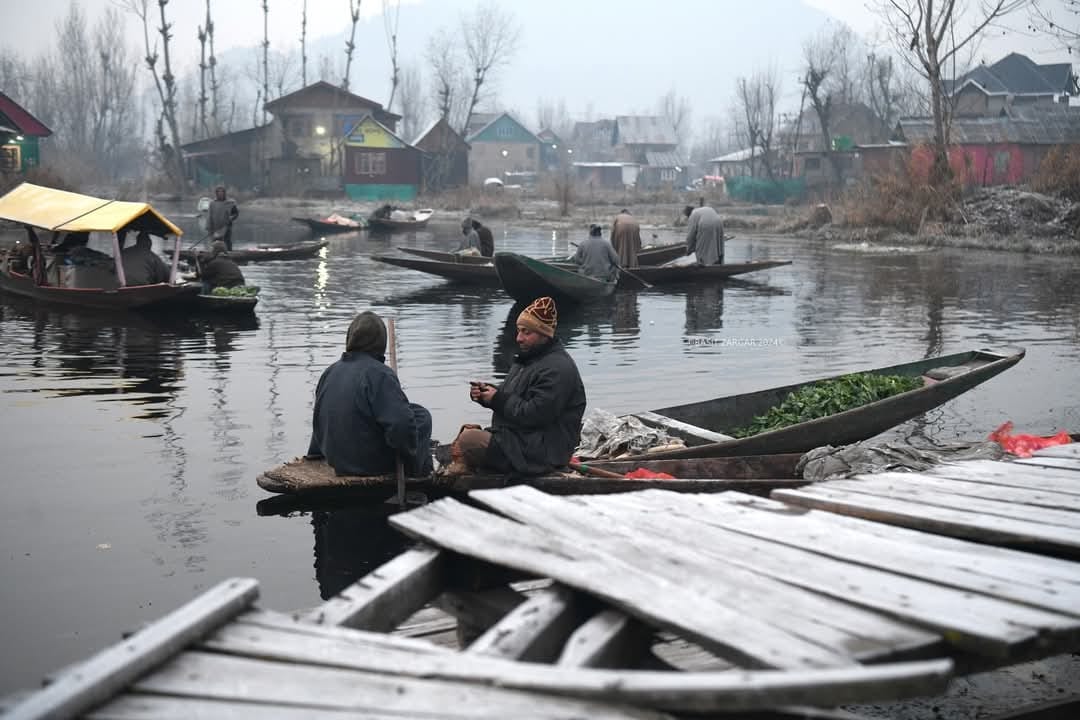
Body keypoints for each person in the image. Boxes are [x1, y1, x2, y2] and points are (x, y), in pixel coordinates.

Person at [452, 296, 586, 476]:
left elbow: (535, 415)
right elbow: (511, 396)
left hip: (542, 452)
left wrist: (497, 399)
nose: (519, 338)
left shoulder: (557, 369)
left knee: (470, 439)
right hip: (522, 440)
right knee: (467, 432)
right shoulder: (528, 360)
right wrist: (487, 395)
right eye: (519, 331)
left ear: (544, 334)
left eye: (526, 332)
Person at [306, 311, 434, 477]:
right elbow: (400, 426)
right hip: (368, 465)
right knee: (423, 418)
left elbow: (321, 417)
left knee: (416, 411)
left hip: (337, 460)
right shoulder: (379, 374)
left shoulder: (330, 372)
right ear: (381, 343)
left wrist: (315, 452)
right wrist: (408, 451)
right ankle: (413, 470)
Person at [207, 185, 239, 251]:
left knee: (227, 242)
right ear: (216, 193)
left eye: (222, 192)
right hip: (215, 227)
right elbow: (210, 216)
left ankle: (229, 253)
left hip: (226, 226)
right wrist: (209, 228)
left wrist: (231, 218)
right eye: (219, 192)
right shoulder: (212, 203)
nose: (220, 193)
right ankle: (215, 254)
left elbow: (235, 213)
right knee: (215, 243)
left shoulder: (230, 203)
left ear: (224, 193)